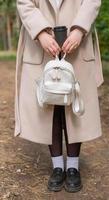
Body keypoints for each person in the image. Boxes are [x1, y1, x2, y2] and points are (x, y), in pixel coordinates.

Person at [15, 0, 104, 193]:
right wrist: (40, 33)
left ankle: (73, 166)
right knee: (48, 106)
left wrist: (79, 29)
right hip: (40, 46)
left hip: (77, 43)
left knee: (75, 105)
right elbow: (24, 2)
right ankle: (57, 166)